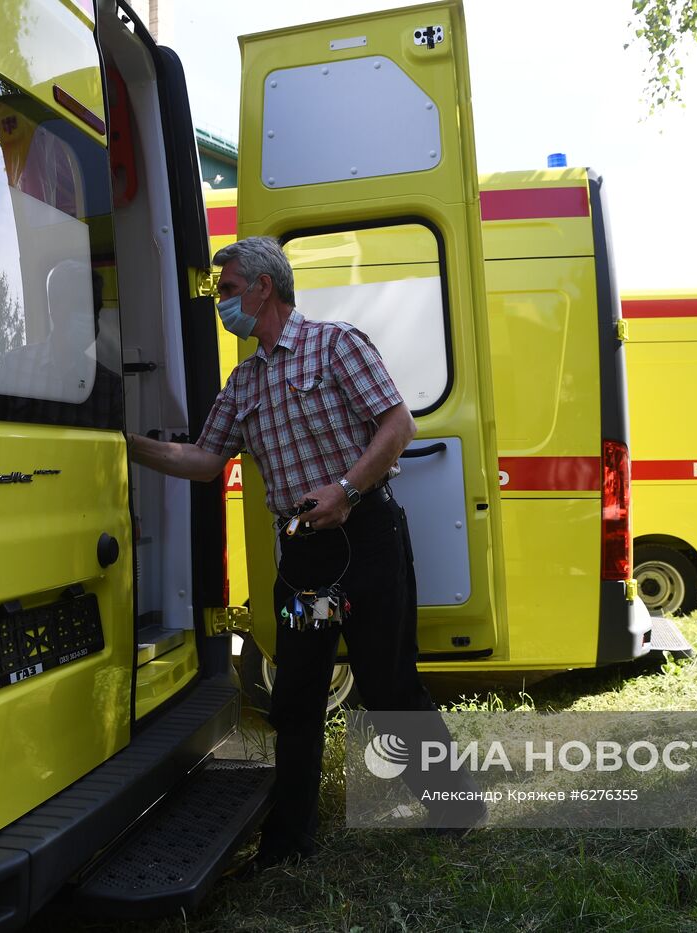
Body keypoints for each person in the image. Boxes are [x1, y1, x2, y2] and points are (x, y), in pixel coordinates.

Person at [127, 236, 482, 870]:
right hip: (307, 563)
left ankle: (455, 808)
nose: (222, 302)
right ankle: (289, 841)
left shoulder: (335, 344)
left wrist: (346, 489)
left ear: (264, 288)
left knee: (387, 684)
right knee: (297, 688)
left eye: (229, 290)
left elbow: (399, 425)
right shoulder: (244, 380)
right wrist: (126, 446)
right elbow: (206, 461)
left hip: (366, 538)